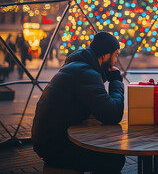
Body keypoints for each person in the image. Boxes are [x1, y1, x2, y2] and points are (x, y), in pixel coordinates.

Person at [31, 31, 125, 173]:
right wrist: (116, 81)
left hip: (47, 140)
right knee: (114, 159)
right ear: (105, 55)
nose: (116, 60)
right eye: (116, 55)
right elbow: (113, 114)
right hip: (56, 147)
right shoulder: (86, 74)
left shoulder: (78, 67)